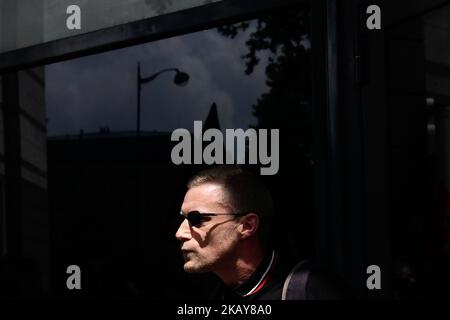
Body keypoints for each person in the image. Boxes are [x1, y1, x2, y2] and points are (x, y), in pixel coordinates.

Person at [175, 165, 346, 300]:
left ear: (247, 226)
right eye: (183, 218)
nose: (180, 233)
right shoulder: (213, 293)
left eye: (196, 219)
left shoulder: (307, 290)